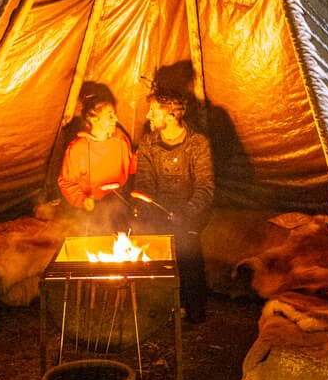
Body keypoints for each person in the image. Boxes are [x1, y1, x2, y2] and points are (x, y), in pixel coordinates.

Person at [132, 89, 213, 324]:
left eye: (153, 111)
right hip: (160, 210)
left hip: (190, 211)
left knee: (187, 247)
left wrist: (186, 212)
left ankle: (194, 307)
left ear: (170, 115)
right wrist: (143, 206)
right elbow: (144, 182)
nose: (148, 115)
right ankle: (163, 306)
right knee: (153, 246)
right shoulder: (149, 142)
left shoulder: (197, 143)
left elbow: (205, 187)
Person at [57, 86, 136, 216]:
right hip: (92, 209)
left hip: (119, 203)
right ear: (94, 119)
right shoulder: (78, 149)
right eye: (110, 116)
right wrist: (83, 200)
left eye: (115, 115)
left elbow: (131, 165)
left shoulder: (120, 138)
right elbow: (67, 182)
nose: (116, 119)